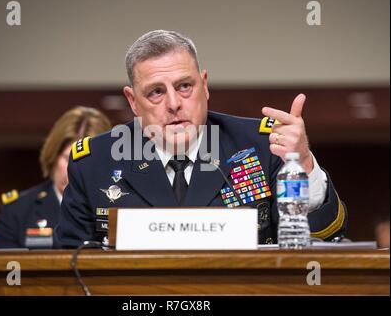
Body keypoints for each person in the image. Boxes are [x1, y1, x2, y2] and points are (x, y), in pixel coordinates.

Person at [55, 30, 347, 248]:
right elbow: (68, 268)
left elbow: (322, 236)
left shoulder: (261, 146)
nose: (173, 103)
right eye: (156, 91)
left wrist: (304, 163)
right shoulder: (95, 163)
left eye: (184, 86)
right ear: (133, 101)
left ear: (204, 86)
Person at [0, 106, 112, 248]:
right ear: (53, 156)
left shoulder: (120, 209)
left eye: (87, 162)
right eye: (69, 159)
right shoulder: (17, 210)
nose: (76, 169)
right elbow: (4, 268)